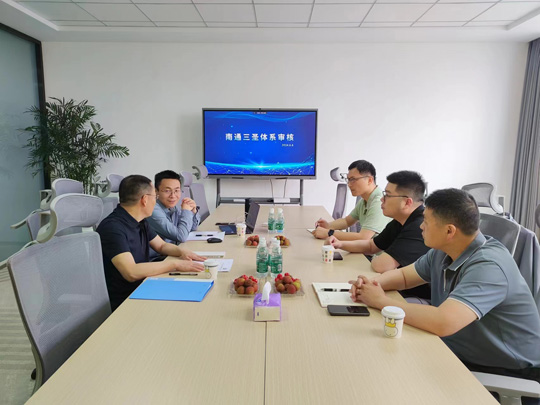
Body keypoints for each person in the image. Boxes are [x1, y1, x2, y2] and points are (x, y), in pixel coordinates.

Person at [349, 188, 540, 389]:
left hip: (507, 368)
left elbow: (443, 322)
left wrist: (381, 301)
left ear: (449, 231)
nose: (421, 226)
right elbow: (404, 277)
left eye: (426, 221)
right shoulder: (443, 251)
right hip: (456, 347)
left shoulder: (489, 266)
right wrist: (372, 285)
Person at [97, 175, 206, 311]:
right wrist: (175, 264)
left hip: (144, 286)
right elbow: (131, 272)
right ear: (145, 199)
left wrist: (182, 252)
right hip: (127, 301)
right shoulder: (113, 228)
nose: (156, 201)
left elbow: (161, 245)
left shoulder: (140, 221)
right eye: (155, 196)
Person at [328, 170, 430, 299]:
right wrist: (340, 244)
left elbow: (381, 265)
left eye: (387, 195)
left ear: (407, 202)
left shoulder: (419, 226)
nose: (382, 199)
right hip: (398, 288)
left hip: (415, 297)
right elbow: (371, 246)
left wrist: (376, 258)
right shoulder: (400, 221)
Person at [312, 160, 389, 241]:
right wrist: (328, 226)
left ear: (369, 180)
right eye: (348, 180)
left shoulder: (379, 202)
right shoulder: (364, 201)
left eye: (353, 179)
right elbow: (347, 221)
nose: (349, 184)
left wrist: (329, 233)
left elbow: (363, 237)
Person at [147, 170, 200, 246]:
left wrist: (193, 212)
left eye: (176, 190)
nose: (173, 195)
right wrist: (186, 211)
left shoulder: (171, 207)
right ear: (156, 191)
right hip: (160, 253)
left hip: (172, 250)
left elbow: (193, 228)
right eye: (167, 191)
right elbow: (181, 236)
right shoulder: (153, 210)